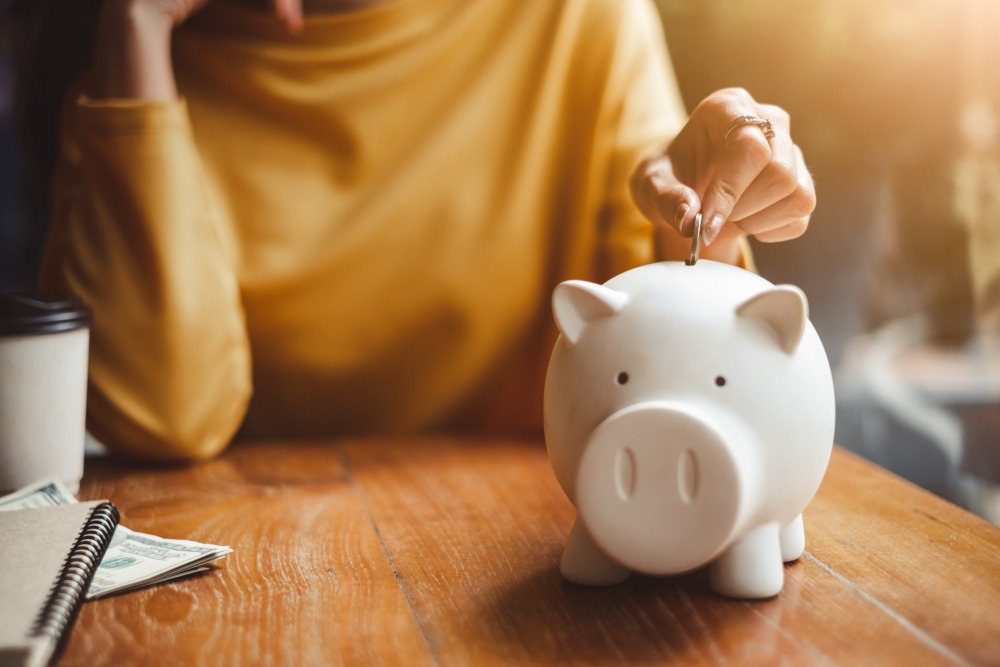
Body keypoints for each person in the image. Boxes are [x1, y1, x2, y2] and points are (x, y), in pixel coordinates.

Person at [19, 0, 815, 462]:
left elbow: (672, 348)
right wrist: (133, 24)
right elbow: (161, 417)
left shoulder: (576, 19)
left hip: (527, 550)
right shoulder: (134, 77)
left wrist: (710, 201)